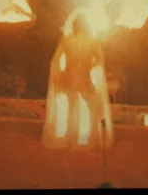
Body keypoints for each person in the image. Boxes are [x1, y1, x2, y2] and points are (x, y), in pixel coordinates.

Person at [42, 9, 113, 150]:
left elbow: (55, 61)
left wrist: (59, 74)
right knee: (92, 109)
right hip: (85, 80)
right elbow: (99, 62)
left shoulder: (66, 40)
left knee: (71, 108)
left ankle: (70, 138)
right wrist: (89, 65)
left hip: (68, 79)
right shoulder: (93, 42)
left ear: (74, 25)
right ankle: (85, 139)